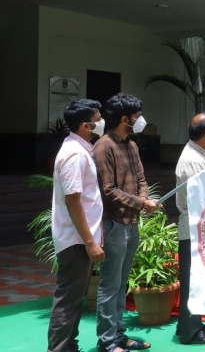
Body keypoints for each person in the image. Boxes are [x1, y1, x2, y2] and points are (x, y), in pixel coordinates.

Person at [94, 93, 158, 352]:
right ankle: (107, 342)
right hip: (113, 224)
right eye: (136, 116)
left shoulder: (131, 145)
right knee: (110, 285)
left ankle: (119, 336)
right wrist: (143, 203)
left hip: (131, 223)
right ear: (124, 119)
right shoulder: (104, 146)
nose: (140, 120)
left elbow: (142, 179)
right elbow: (107, 190)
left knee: (122, 283)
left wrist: (143, 199)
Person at [47, 99, 105, 352]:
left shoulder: (82, 150)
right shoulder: (74, 154)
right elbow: (73, 201)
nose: (102, 122)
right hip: (76, 240)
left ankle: (69, 345)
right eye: (98, 118)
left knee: (74, 299)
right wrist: (90, 242)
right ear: (86, 125)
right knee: (68, 299)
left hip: (81, 238)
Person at [174, 114, 205, 345]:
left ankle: (186, 324)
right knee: (192, 281)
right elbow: (200, 197)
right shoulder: (191, 161)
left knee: (197, 279)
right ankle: (191, 332)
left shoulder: (202, 153)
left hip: (202, 226)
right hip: (194, 227)